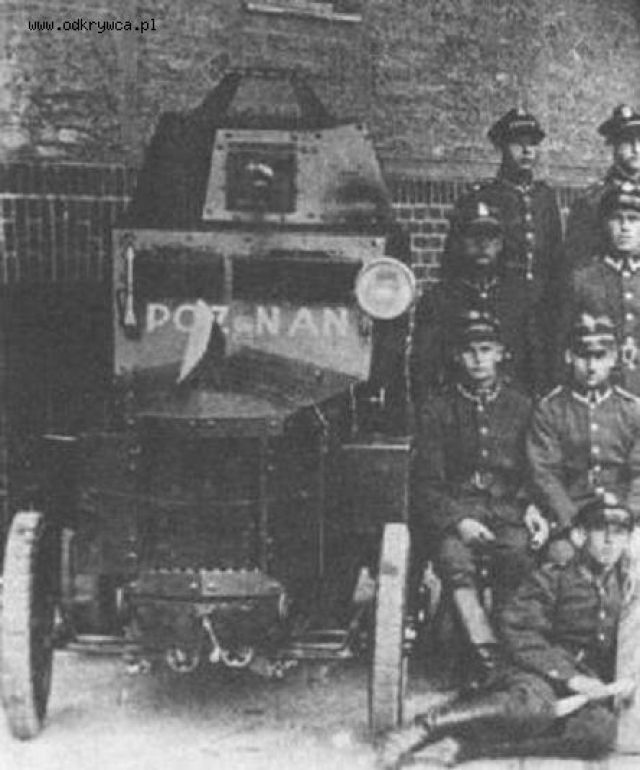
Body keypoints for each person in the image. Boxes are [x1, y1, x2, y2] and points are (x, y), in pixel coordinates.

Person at [380, 495, 636, 769]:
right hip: (535, 671)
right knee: (532, 707)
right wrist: (569, 677)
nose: (610, 541)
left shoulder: (625, 585)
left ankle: (469, 748)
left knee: (598, 733)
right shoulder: (553, 578)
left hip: (585, 680)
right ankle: (427, 725)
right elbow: (519, 633)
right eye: (600, 531)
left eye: (619, 534)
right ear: (580, 535)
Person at [413, 309, 534, 685]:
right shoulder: (438, 407)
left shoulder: (521, 406)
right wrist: (459, 521)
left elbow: (534, 469)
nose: (478, 359)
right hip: (458, 510)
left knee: (517, 555)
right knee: (455, 561)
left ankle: (513, 650)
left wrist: (529, 505)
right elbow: (426, 481)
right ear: (456, 356)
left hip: (507, 509)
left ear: (500, 353)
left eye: (486, 349)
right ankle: (483, 654)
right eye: (469, 351)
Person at [441, 108, 563, 395]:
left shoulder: (545, 197)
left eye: (532, 143)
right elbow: (455, 264)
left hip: (542, 309)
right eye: (518, 143)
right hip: (501, 307)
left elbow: (556, 258)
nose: (527, 150)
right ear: (502, 147)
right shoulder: (483, 197)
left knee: (540, 380)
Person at [527, 311, 640, 565]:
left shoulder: (632, 410)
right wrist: (571, 523)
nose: (591, 366)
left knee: (635, 558)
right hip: (574, 515)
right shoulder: (550, 409)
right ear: (569, 356)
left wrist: (629, 518)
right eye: (583, 356)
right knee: (563, 560)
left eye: (600, 357)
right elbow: (545, 474)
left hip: (624, 514)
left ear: (613, 358)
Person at [411, 198, 548, 403]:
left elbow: (536, 366)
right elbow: (423, 370)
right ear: (459, 242)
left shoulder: (522, 297)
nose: (483, 244)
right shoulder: (438, 300)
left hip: (511, 408)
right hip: (454, 409)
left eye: (490, 237)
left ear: (500, 244)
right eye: (474, 236)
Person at [563, 181, 640, 395]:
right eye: (617, 219)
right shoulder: (582, 279)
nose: (625, 227)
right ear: (604, 225)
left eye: (634, 219)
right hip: (600, 394)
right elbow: (564, 343)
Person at [564, 104, 640, 268]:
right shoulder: (592, 201)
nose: (636, 149)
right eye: (627, 141)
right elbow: (578, 261)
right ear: (614, 145)